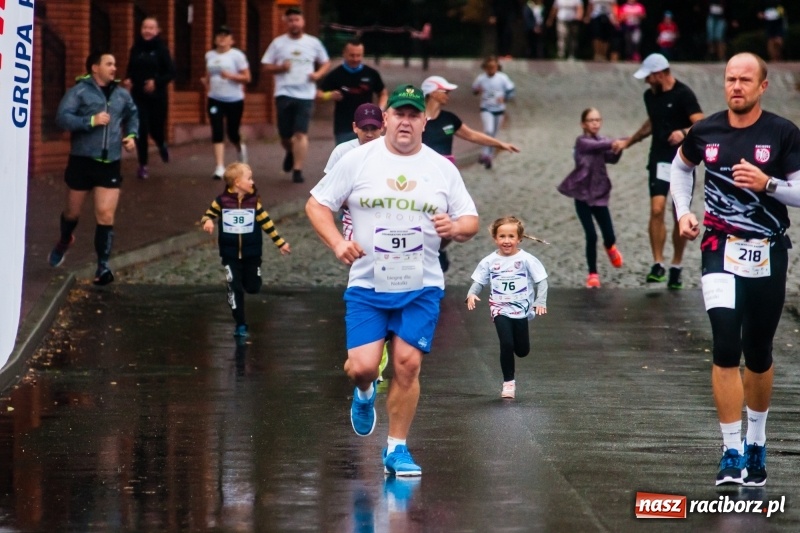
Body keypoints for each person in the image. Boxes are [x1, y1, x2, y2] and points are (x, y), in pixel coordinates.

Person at [305, 84, 479, 476]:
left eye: (413, 115)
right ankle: (364, 392)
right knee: (363, 367)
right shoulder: (358, 160)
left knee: (407, 364)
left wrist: (454, 226)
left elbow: (471, 219)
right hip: (368, 284)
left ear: (424, 120)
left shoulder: (441, 167)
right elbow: (317, 204)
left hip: (421, 283)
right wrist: (337, 243)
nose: (405, 121)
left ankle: (397, 449)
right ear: (386, 119)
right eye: (398, 114)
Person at [670, 52, 800, 487]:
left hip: (767, 250)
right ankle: (731, 450)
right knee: (726, 344)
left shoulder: (782, 133)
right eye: (730, 79)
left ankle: (757, 442)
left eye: (746, 80)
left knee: (758, 351)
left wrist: (769, 185)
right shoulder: (706, 130)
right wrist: (682, 212)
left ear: (764, 86)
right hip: (717, 247)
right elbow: (681, 167)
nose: (736, 86)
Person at [612, 53, 703, 289]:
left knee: (678, 213)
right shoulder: (649, 96)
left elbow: (701, 123)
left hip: (682, 160)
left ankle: (676, 266)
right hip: (659, 157)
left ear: (661, 74)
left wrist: (683, 132)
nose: (646, 81)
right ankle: (658, 263)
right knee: (656, 209)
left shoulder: (684, 94)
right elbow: (651, 124)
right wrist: (628, 142)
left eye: (649, 77)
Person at [49, 51, 138, 286]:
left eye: (115, 64)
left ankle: (103, 267)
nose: (114, 68)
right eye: (109, 63)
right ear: (95, 68)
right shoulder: (79, 91)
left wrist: (131, 135)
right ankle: (65, 238)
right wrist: (90, 121)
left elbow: (133, 115)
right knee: (72, 213)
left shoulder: (121, 94)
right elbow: (61, 118)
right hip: (82, 161)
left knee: (106, 215)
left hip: (110, 164)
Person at [421, 75, 519, 272]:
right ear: (432, 93)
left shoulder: (450, 119)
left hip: (446, 177)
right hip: (421, 177)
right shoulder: (415, 119)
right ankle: (425, 252)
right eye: (444, 91)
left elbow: (472, 135)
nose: (448, 95)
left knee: (451, 218)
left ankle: (439, 249)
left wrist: (499, 143)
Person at [201, 163, 291, 339]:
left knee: (252, 287)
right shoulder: (221, 201)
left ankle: (250, 281)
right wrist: (208, 221)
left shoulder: (253, 203)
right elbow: (208, 214)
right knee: (234, 288)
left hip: (251, 254)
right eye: (249, 178)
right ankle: (240, 323)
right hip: (229, 254)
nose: (252, 181)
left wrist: (280, 243)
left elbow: (267, 223)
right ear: (237, 182)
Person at [465, 216, 548, 399]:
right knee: (506, 343)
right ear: (495, 238)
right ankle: (508, 383)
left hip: (521, 310)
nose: (507, 241)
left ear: (519, 239)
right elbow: (479, 280)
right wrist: (472, 294)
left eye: (511, 236)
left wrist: (540, 302)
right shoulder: (489, 261)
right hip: (499, 308)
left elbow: (541, 281)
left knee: (522, 350)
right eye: (502, 236)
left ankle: (519, 350)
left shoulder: (527, 259)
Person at [557, 108, 624, 288]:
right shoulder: (582, 142)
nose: (595, 123)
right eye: (591, 120)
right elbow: (595, 147)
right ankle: (592, 273)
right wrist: (617, 141)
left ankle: (610, 247)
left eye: (597, 120)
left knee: (609, 235)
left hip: (600, 194)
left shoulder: (603, 142)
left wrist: (620, 148)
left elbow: (611, 158)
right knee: (591, 235)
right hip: (582, 195)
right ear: (583, 124)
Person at [261, 7, 330, 183]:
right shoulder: (278, 43)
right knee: (285, 135)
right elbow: (266, 65)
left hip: (306, 94)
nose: (294, 23)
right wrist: (280, 68)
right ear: (286, 22)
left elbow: (326, 62)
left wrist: (318, 74)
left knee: (301, 133)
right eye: (291, 20)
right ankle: (290, 152)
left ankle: (298, 170)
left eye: (297, 20)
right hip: (284, 92)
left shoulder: (313, 43)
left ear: (302, 22)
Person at [123, 16, 175, 180]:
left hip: (157, 97)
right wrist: (128, 80)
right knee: (141, 129)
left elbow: (171, 72)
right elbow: (130, 69)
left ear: (157, 31)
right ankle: (143, 165)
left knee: (156, 129)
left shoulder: (161, 49)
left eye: (151, 28)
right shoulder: (136, 48)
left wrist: (156, 82)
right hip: (138, 96)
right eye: (145, 27)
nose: (147, 31)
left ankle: (161, 144)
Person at [202, 25, 251, 180]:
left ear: (232, 40)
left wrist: (231, 76)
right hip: (215, 98)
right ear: (215, 39)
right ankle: (219, 167)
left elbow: (247, 78)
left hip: (234, 99)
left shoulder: (237, 56)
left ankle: (239, 146)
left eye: (225, 35)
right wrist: (206, 81)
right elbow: (208, 73)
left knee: (232, 132)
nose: (222, 38)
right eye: (219, 35)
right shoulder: (209, 55)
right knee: (217, 129)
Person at [318, 39, 387, 145]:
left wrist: (381, 109)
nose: (355, 59)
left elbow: (383, 93)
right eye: (352, 55)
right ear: (344, 54)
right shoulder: (336, 74)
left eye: (358, 55)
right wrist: (329, 95)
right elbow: (317, 94)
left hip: (367, 125)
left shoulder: (371, 74)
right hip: (344, 126)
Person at [472, 56, 516, 170]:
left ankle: (488, 157)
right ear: (485, 68)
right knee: (489, 130)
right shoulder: (481, 78)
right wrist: (477, 91)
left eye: (494, 67)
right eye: (489, 67)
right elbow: (474, 90)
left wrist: (505, 98)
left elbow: (511, 91)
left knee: (494, 135)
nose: (491, 69)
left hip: (499, 109)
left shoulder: (502, 78)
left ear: (497, 67)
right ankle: (485, 153)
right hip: (486, 108)